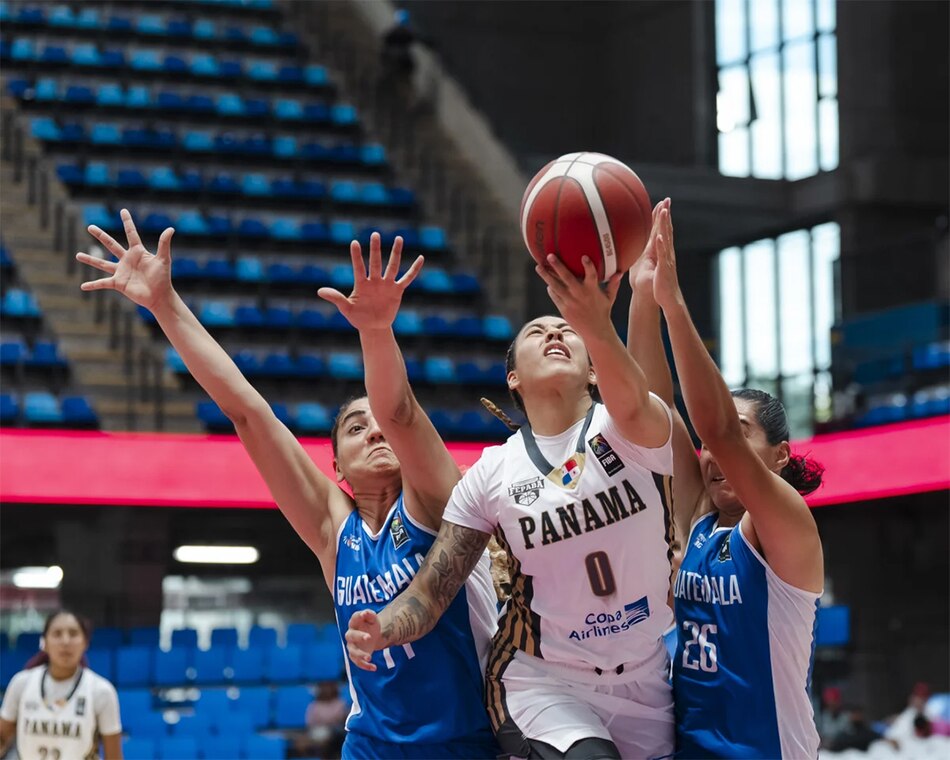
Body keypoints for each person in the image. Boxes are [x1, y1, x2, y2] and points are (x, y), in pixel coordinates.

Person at [75, 213, 499, 760]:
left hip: (465, 743)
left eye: (377, 424)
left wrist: (375, 331)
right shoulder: (334, 531)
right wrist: (165, 306)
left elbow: (401, 413)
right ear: (338, 469)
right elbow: (248, 412)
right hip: (371, 745)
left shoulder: (439, 502)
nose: (374, 429)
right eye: (354, 427)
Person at [348, 238, 679, 758]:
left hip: (645, 674)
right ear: (513, 379)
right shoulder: (493, 473)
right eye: (536, 331)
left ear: (594, 369)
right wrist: (382, 627)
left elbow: (635, 396)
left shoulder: (635, 428)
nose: (553, 331)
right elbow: (433, 589)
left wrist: (595, 319)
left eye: (566, 330)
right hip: (542, 681)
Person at [632, 199, 825, 758]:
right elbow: (652, 411)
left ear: (780, 455)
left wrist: (674, 304)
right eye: (713, 450)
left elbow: (716, 429)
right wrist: (643, 294)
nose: (715, 456)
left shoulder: (783, 524)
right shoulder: (701, 521)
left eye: (743, 437)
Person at [0, 610, 122, 760]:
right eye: (57, 634)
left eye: (73, 634)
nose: (65, 641)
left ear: (85, 642)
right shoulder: (21, 683)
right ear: (44, 643)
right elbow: (2, 737)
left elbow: (114, 756)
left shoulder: (102, 691)